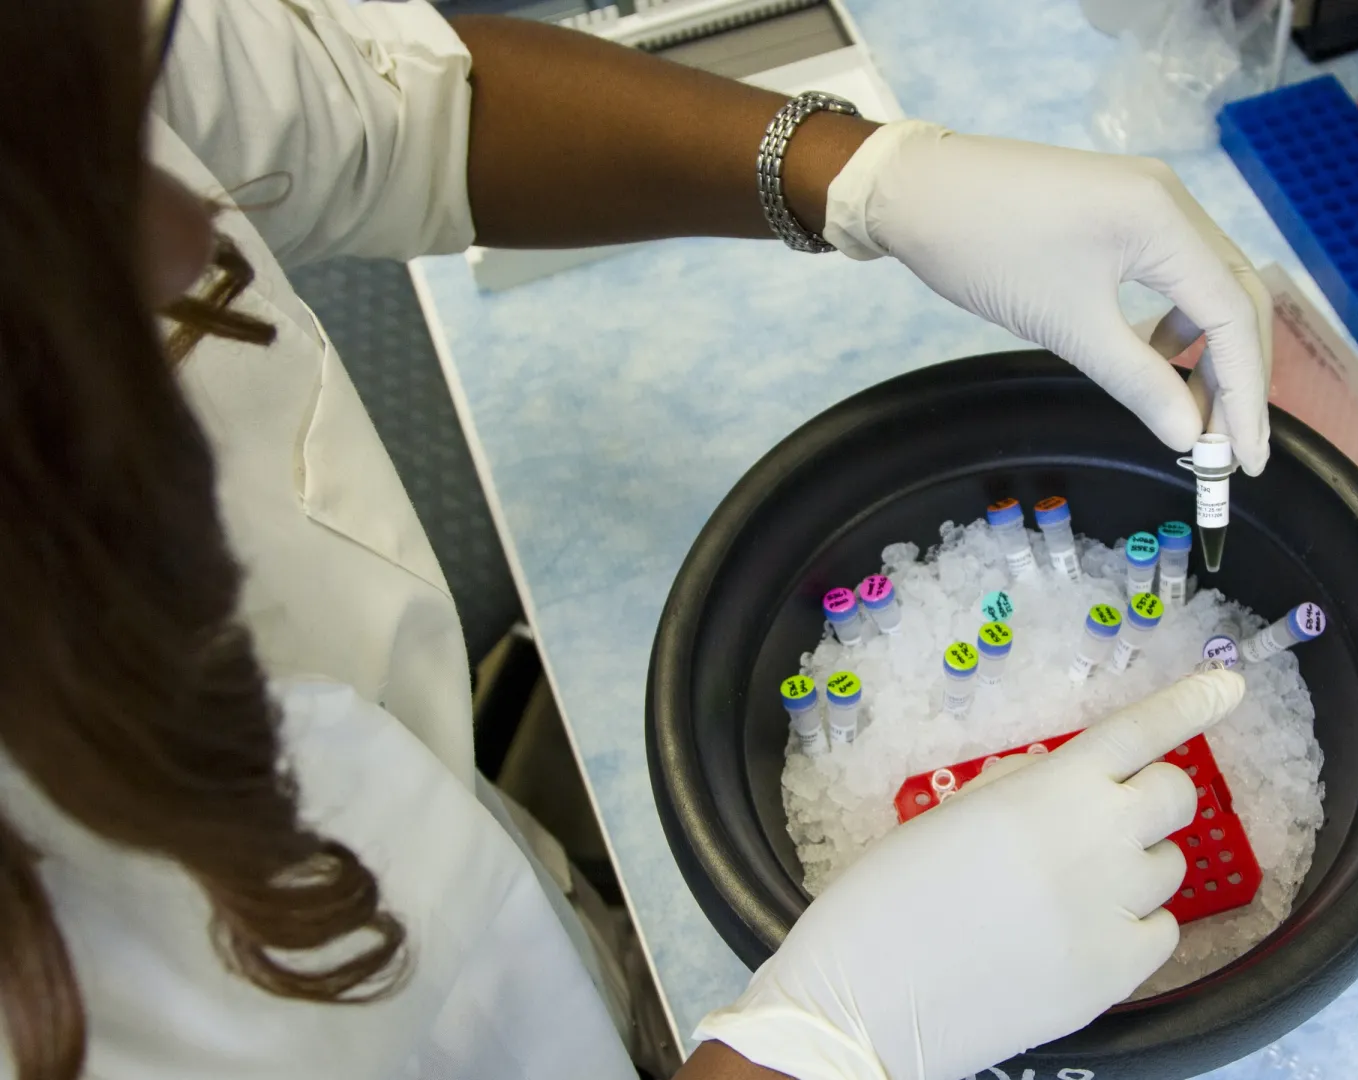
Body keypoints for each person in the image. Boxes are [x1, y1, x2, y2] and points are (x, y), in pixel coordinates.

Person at [0, 1, 1269, 1077]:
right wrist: (824, 1044)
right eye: (70, 215)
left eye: (128, 129)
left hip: (477, 898)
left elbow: (394, 114)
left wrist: (867, 174)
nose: (197, 230)